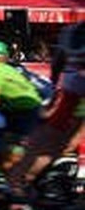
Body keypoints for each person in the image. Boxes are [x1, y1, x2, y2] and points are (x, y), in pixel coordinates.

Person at [8, 23, 85, 193]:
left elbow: (58, 63)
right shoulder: (71, 31)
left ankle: (17, 185)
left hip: (72, 89)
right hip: (73, 90)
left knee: (52, 142)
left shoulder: (70, 30)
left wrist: (55, 91)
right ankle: (19, 185)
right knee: (58, 143)